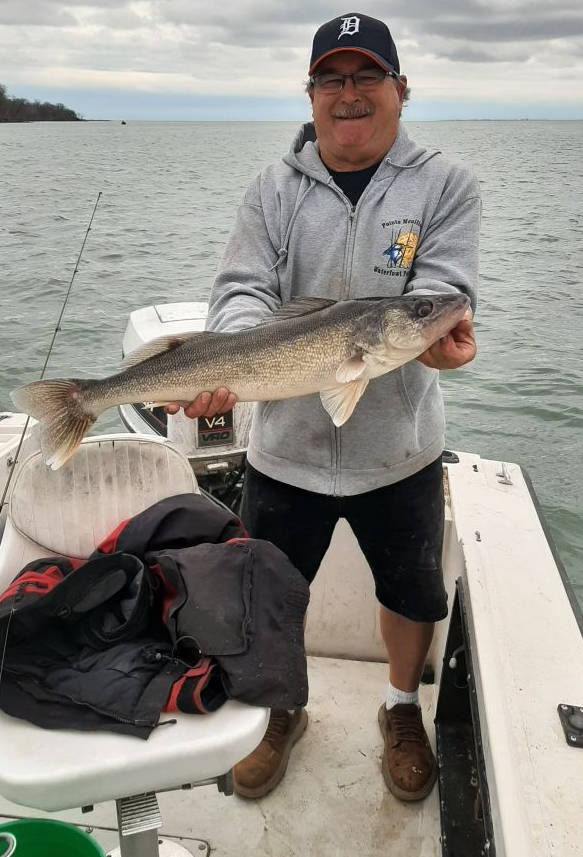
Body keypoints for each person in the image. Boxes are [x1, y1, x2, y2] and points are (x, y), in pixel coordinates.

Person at [166, 12, 481, 801]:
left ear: (401, 90)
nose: (349, 95)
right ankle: (279, 709)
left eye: (366, 77)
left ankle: (400, 706)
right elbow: (240, 289)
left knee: (410, 591)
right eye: (331, 79)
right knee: (271, 592)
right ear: (310, 96)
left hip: (399, 450)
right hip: (286, 448)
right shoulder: (272, 189)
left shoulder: (446, 185)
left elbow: (446, 292)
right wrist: (231, 359)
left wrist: (443, 330)